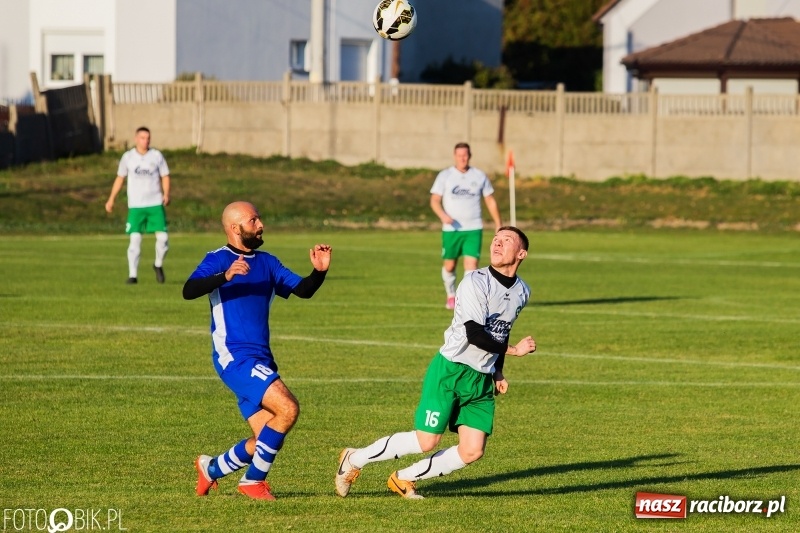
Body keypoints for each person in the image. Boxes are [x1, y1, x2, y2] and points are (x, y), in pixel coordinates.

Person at [335, 226, 535, 499]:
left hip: (481, 378)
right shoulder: (475, 282)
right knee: (426, 440)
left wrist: (498, 370)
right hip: (451, 369)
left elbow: (502, 328)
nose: (497, 244)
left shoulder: (523, 290)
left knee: (472, 450)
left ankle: (404, 478)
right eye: (495, 239)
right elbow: (475, 335)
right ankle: (354, 458)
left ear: (521, 253)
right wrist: (515, 351)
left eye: (506, 241)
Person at [184, 201, 332, 501]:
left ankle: (211, 469)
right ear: (235, 228)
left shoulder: (268, 262)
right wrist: (224, 277)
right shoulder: (218, 259)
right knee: (288, 408)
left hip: (261, 358)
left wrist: (318, 273)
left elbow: (302, 290)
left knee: (264, 435)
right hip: (235, 357)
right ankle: (252, 482)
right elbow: (189, 289)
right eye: (254, 220)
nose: (261, 224)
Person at [430, 142, 502, 310]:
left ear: (470, 156)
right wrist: (443, 215)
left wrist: (499, 223)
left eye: (465, 155)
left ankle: (465, 299)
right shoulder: (445, 176)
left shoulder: (479, 176)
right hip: (452, 229)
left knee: (471, 266)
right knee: (450, 265)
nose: (462, 158)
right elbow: (434, 200)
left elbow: (490, 200)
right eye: (459, 155)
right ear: (455, 156)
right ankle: (451, 295)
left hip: (473, 227)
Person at [105, 126, 171, 284]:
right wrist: (111, 199)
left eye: (148, 138)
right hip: (136, 205)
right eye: (142, 138)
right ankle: (133, 275)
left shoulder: (156, 156)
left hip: (155, 203)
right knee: (135, 240)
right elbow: (120, 178)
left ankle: (158, 264)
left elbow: (165, 176)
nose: (145, 140)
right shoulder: (128, 157)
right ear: (136, 139)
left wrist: (166, 193)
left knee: (163, 238)